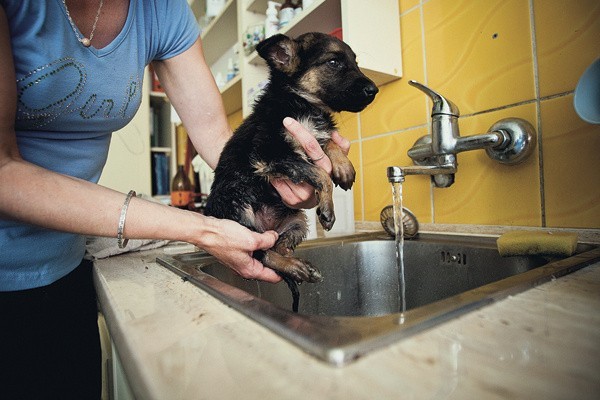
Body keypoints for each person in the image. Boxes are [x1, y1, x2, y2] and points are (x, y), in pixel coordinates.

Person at [0, 0, 351, 398]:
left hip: (66, 262)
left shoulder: (161, 10)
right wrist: (202, 228)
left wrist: (281, 176)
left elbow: (220, 141)